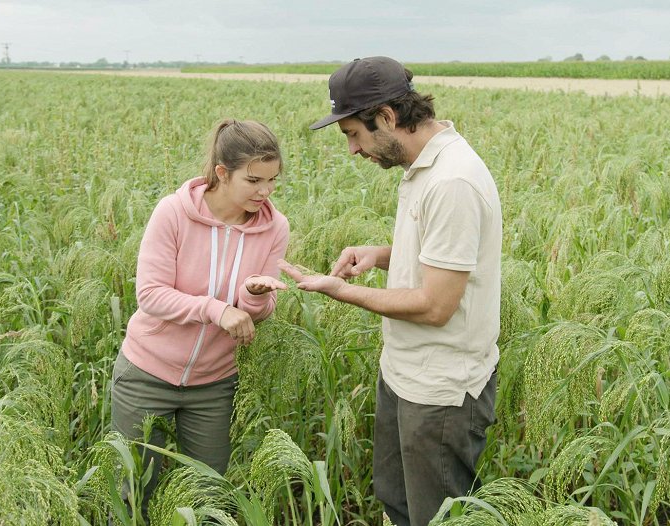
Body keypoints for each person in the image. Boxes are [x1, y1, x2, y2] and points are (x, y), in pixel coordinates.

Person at [279, 57, 501, 526]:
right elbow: (442, 258)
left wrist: (339, 291)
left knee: (433, 517)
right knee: (397, 503)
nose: (353, 151)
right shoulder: (425, 166)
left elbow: (436, 305)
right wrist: (381, 254)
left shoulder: (452, 181)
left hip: (439, 390)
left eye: (354, 135)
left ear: (386, 117)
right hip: (404, 371)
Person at [111, 119, 289, 521]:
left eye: (273, 180)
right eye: (254, 180)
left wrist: (252, 297)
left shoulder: (274, 228)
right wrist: (217, 309)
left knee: (209, 496)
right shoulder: (174, 212)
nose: (266, 192)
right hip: (145, 374)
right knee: (131, 491)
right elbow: (151, 295)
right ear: (222, 173)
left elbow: (259, 313)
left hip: (214, 383)